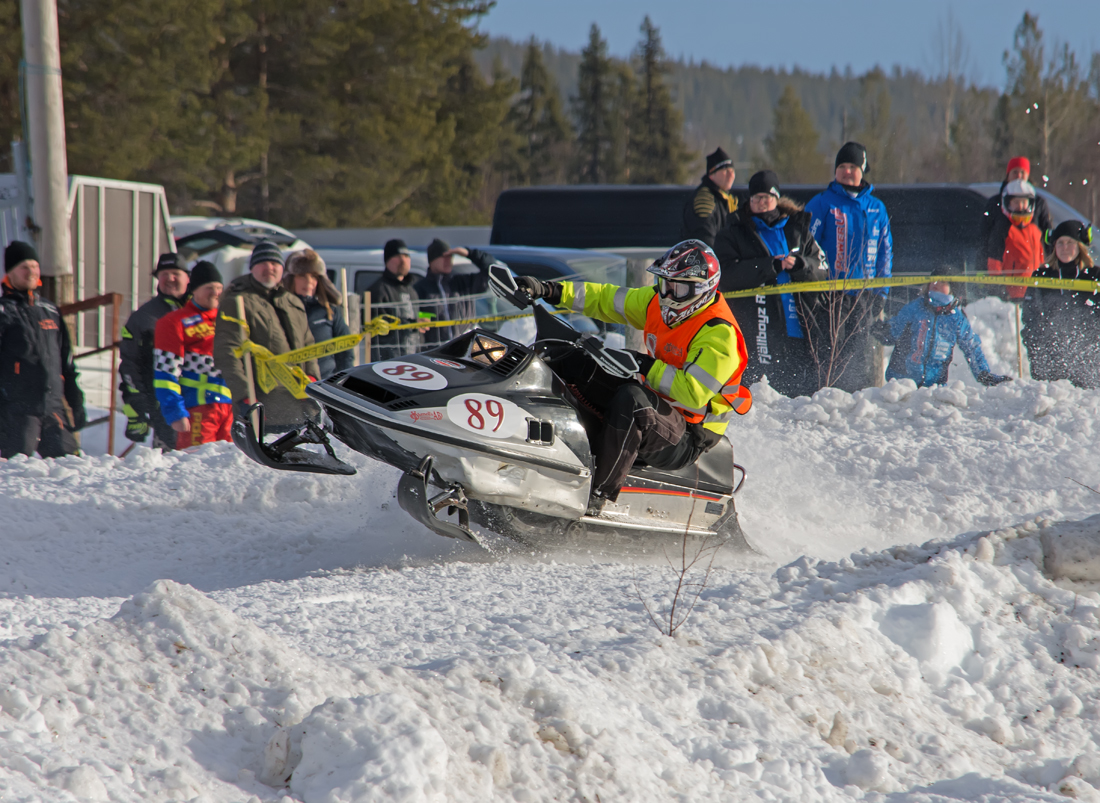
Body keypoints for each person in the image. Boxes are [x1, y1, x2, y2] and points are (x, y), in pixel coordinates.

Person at [513, 240, 752, 512]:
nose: (668, 295)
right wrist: (550, 290)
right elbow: (606, 299)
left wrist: (643, 364)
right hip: (659, 405)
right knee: (573, 358)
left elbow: (692, 392)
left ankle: (597, 497)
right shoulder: (657, 303)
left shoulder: (719, 334)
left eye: (679, 288)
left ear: (702, 290)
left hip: (688, 435)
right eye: (665, 284)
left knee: (633, 401)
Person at [715, 170, 829, 397]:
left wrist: (800, 265)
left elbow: (822, 270)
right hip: (756, 329)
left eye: (766, 197)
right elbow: (726, 274)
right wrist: (770, 266)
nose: (761, 203)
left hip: (800, 325)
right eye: (756, 197)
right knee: (762, 395)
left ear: (776, 198)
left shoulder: (798, 229)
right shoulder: (735, 231)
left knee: (803, 396)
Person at [805, 142, 894, 391]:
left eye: (852, 166)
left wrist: (881, 292)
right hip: (830, 295)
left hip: (864, 294)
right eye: (841, 166)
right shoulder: (822, 204)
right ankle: (827, 396)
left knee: (861, 353)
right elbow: (806, 247)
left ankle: (860, 402)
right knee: (831, 351)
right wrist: (817, 286)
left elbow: (885, 254)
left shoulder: (877, 208)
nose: (846, 171)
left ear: (862, 169)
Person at [213, 240, 321, 431]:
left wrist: (312, 379)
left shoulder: (293, 302)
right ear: (252, 267)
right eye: (263, 262)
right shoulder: (237, 302)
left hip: (302, 404)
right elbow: (227, 353)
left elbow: (308, 346)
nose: (269, 268)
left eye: (275, 263)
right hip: (265, 408)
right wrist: (244, 395)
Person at [0, 240, 87, 458]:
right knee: (18, 471)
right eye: (24, 267)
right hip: (17, 409)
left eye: (35, 266)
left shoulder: (50, 310)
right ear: (10, 272)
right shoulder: (3, 311)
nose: (31, 271)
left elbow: (66, 361)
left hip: (53, 408)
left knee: (70, 469)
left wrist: (75, 400)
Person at [872, 277, 1007, 388]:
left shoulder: (957, 318)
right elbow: (893, 333)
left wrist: (983, 373)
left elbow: (971, 347)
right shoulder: (914, 308)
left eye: (943, 282)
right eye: (933, 280)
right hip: (902, 384)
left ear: (952, 289)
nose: (935, 284)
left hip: (934, 389)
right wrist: (882, 331)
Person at [153, 262, 233, 448]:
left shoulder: (230, 321)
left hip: (230, 409)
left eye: (219, 288)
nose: (215, 292)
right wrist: (175, 412)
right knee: (198, 466)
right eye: (209, 288)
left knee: (231, 466)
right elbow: (165, 373)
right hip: (197, 408)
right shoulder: (174, 322)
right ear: (194, 291)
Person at [119, 252, 190, 449]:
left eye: (175, 273)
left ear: (188, 277)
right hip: (165, 407)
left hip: (205, 401)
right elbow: (129, 365)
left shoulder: (203, 312)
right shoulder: (143, 318)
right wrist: (137, 406)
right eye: (164, 274)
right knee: (173, 467)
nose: (170, 279)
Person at [1022, 221, 1100, 388]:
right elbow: (1030, 317)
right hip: (1049, 361)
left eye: (1070, 242)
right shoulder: (1042, 276)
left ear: (1080, 246)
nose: (1065, 247)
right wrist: (1036, 350)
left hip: (1089, 361)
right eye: (1060, 243)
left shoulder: (1095, 276)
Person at [414, 238, 501, 348]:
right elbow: (416, 319)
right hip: (437, 353)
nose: (448, 260)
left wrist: (469, 253)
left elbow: (493, 270)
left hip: (466, 349)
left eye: (450, 256)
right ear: (432, 261)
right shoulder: (420, 288)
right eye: (444, 257)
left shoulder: (462, 283)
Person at [283, 250, 352, 380]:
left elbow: (345, 352)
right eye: (302, 275)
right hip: (291, 386)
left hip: (326, 384)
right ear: (291, 279)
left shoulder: (329, 311)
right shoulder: (280, 310)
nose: (309, 282)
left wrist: (345, 381)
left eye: (314, 276)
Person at [980, 156, 1052, 267]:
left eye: (1022, 172)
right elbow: (984, 237)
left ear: (1028, 176)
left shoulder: (1039, 202)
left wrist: (1051, 265)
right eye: (1015, 172)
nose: (1019, 176)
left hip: (1033, 267)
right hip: (999, 266)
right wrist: (980, 268)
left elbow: (1048, 235)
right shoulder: (994, 202)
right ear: (1007, 175)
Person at [986, 179, 1044, 302]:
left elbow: (1042, 258)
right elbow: (994, 261)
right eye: (1016, 202)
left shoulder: (1035, 230)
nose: (1020, 206)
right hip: (1010, 296)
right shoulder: (1003, 228)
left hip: (1034, 294)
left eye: (1024, 202)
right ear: (1008, 203)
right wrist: (999, 289)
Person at [680, 147, 739, 247]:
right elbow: (704, 238)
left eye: (732, 170)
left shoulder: (725, 198)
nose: (731, 174)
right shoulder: (705, 199)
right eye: (725, 170)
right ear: (712, 174)